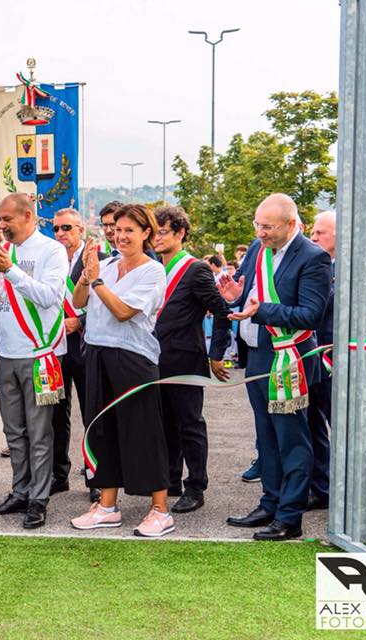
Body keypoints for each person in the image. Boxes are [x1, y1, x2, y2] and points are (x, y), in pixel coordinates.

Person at [218, 193, 330, 541]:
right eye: (258, 225)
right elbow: (245, 291)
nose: (261, 232)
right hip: (259, 355)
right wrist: (235, 294)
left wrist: (261, 310)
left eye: (268, 227)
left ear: (292, 224)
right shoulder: (258, 248)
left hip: (292, 358)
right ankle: (270, 502)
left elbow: (311, 316)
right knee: (266, 437)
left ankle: (290, 516)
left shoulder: (314, 258)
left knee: (292, 439)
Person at [68, 204, 172, 536]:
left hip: (133, 358)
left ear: (146, 234)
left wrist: (96, 280)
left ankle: (160, 510)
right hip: (98, 353)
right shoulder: (108, 265)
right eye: (117, 229)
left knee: (144, 432)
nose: (121, 235)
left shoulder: (152, 271)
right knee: (102, 431)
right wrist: (87, 277)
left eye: (129, 230)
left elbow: (124, 311)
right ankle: (107, 506)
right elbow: (78, 302)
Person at [0, 193, 68, 529]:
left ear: (27, 216)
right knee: (14, 430)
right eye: (0, 219)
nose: (1, 225)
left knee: (40, 431)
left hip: (40, 355)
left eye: (6, 219)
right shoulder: (4, 253)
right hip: (7, 354)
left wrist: (10, 270)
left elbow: (49, 297)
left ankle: (39, 498)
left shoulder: (51, 251)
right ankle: (20, 490)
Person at [152, 205, 232, 514]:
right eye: (153, 232)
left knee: (189, 423)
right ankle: (171, 478)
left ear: (180, 233)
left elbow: (222, 313)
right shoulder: (154, 267)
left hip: (186, 358)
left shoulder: (196, 269)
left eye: (162, 232)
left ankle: (196, 485)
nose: (156, 238)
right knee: (164, 423)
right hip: (156, 358)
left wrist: (217, 355)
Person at [51, 207, 101, 502]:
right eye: (56, 228)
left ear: (81, 229)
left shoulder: (97, 259)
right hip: (56, 347)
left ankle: (96, 475)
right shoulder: (51, 260)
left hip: (85, 344)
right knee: (57, 414)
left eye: (67, 228)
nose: (61, 234)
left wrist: (80, 321)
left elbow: (106, 301)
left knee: (91, 413)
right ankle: (59, 475)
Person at [307, 210, 336, 508]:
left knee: (338, 425)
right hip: (312, 359)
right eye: (313, 232)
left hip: (335, 359)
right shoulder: (316, 267)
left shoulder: (350, 272)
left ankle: (343, 487)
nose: (313, 238)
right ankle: (322, 487)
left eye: (320, 233)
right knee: (313, 424)